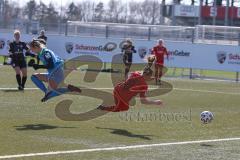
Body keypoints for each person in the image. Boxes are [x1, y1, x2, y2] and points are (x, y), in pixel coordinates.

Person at [98, 62, 163, 112]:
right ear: (147, 76)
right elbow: (143, 101)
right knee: (124, 108)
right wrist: (155, 102)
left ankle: (106, 106)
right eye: (150, 76)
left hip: (117, 89)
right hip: (122, 97)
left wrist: (147, 77)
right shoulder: (144, 85)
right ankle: (104, 108)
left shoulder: (135, 73)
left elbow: (138, 75)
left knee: (120, 105)